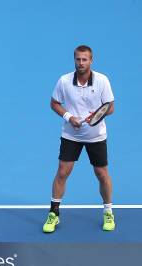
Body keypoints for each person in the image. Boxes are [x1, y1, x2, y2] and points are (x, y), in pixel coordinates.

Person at [43, 45, 115, 233]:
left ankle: (108, 211)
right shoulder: (64, 81)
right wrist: (69, 117)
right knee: (62, 172)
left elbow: (111, 107)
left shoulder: (102, 81)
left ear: (91, 60)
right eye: (78, 59)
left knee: (102, 174)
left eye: (85, 59)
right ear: (74, 60)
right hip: (71, 134)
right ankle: (53, 214)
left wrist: (97, 116)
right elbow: (54, 103)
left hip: (96, 135)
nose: (81, 63)